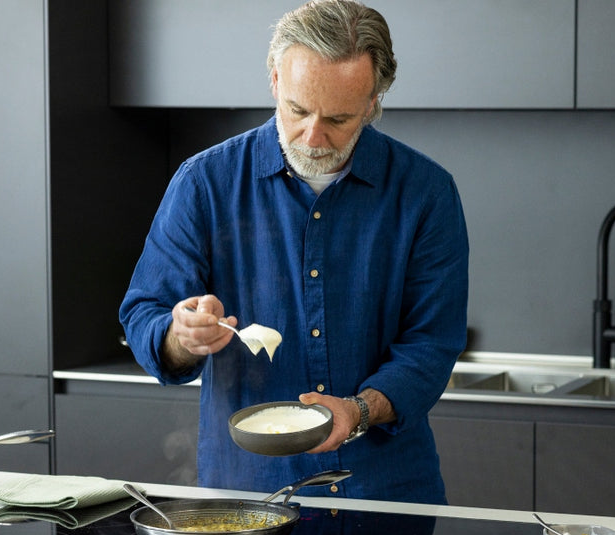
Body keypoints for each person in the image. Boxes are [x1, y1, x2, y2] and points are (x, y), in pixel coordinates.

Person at [119, 0, 468, 503]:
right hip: (246, 491)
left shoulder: (426, 192)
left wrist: (360, 412)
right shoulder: (205, 182)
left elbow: (431, 344)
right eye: (299, 110)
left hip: (386, 490)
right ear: (275, 81)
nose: (313, 136)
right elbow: (144, 314)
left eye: (340, 118)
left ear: (374, 101)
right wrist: (180, 334)